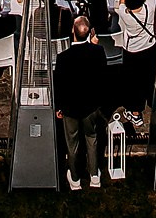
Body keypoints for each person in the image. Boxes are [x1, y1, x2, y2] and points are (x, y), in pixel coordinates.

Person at [52, 15, 109, 190]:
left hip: (70, 106)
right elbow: (102, 78)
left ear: (72, 32)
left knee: (72, 142)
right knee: (92, 140)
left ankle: (75, 178)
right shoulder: (98, 52)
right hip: (90, 105)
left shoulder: (63, 58)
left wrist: (59, 106)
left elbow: (59, 84)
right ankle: (94, 175)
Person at [115, 0, 156, 134]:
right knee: (148, 77)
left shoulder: (124, 13)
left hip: (133, 51)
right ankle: (151, 101)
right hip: (150, 47)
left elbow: (121, 3)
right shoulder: (150, 6)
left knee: (133, 82)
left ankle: (135, 113)